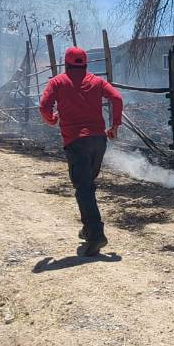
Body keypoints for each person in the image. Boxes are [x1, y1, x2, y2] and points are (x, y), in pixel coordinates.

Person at [39, 47, 123, 255]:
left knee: (83, 188)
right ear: (85, 63)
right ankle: (88, 229)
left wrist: (51, 120)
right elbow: (117, 98)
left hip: (76, 142)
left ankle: (96, 235)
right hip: (99, 141)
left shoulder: (57, 82)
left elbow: (43, 107)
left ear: (65, 63)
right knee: (88, 186)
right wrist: (114, 126)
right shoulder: (96, 81)